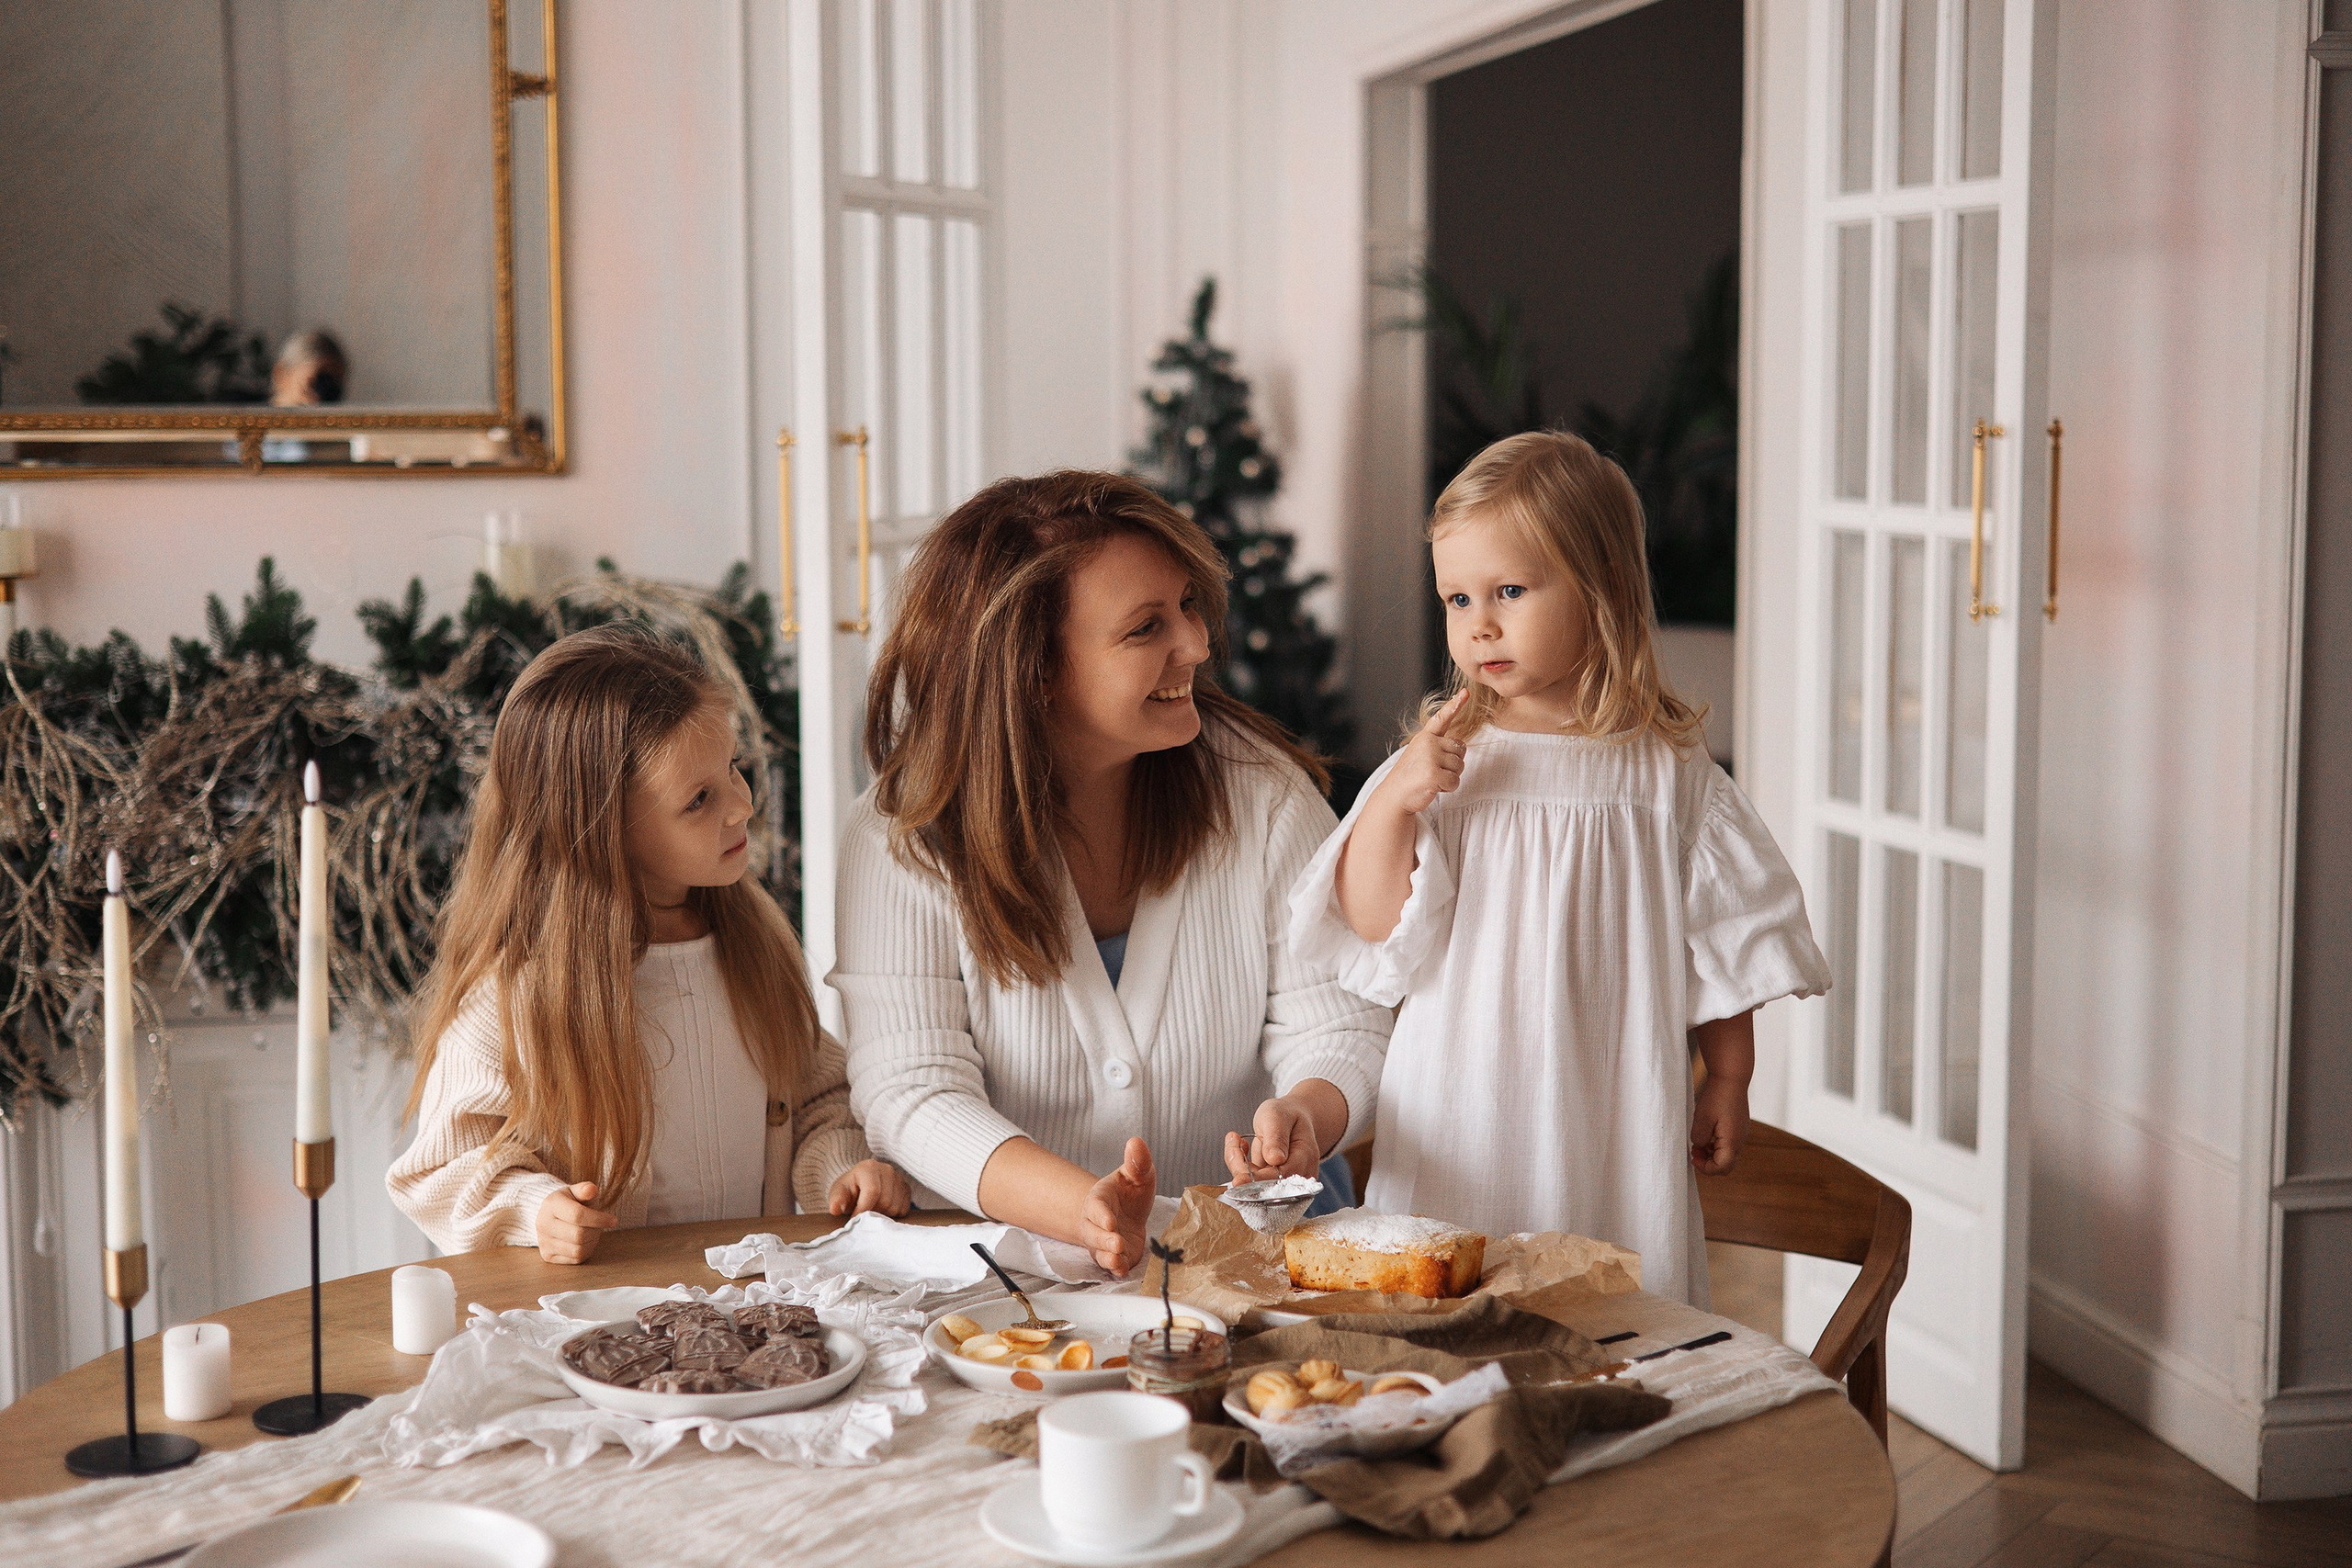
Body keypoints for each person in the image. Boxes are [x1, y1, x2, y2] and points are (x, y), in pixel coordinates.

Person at [1289, 432, 1830, 1306]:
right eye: (1457, 598)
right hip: (1462, 1106)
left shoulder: (1668, 771)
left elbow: (1729, 939)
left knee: (1607, 1316)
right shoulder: (1443, 761)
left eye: (1509, 590)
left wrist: (1729, 1076)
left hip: (1610, 1111)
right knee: (1445, 1312)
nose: (1480, 624)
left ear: (1604, 588)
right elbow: (1373, 918)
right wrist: (1394, 804)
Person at [834, 471, 1393, 1274]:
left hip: (1266, 1261)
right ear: (1033, 670)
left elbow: (1342, 1021)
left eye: (1190, 605)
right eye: (1146, 627)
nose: (1197, 646)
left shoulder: (1264, 794)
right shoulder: (904, 836)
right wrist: (1083, 1212)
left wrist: (1308, 1109)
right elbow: (912, 1094)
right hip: (1015, 1274)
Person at [389, 626, 909, 1261]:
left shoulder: (753, 950)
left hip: (748, 1315)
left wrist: (843, 1169)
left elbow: (818, 1097)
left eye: (734, 768)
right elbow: (442, 1172)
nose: (742, 806)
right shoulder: (516, 997)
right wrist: (533, 1208)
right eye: (699, 799)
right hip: (607, 1331)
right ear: (601, 831)